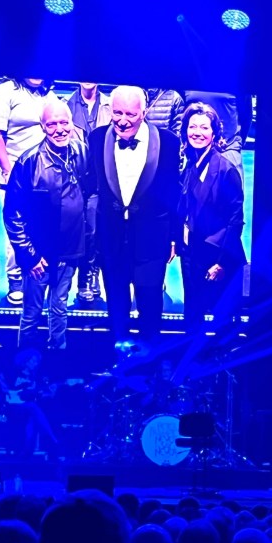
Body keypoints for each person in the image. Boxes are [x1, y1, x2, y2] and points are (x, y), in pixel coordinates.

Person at [87, 85, 180, 351]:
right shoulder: (96, 138)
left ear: (144, 112)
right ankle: (120, 357)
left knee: (150, 303)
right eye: (118, 113)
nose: (123, 120)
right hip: (111, 239)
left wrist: (174, 236)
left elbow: (174, 193)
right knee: (116, 303)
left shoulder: (168, 142)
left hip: (152, 239)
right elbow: (90, 189)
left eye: (130, 114)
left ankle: (150, 360)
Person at [4, 100, 89, 350]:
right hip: (38, 257)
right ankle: (25, 365)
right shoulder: (28, 161)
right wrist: (30, 256)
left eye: (64, 123)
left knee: (60, 308)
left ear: (72, 124)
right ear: (42, 127)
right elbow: (12, 213)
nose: (59, 129)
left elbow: (90, 195)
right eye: (52, 124)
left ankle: (57, 359)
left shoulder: (82, 153)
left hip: (69, 251)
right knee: (31, 313)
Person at [0, 77, 61, 307]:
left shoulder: (48, 95)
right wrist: (9, 171)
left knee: (41, 226)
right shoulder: (4, 92)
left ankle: (36, 277)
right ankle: (16, 281)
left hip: (42, 173)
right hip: (14, 172)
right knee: (17, 225)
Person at [178, 102, 247, 339]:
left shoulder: (226, 169)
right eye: (192, 127)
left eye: (204, 127)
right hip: (192, 254)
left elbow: (235, 220)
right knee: (192, 319)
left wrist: (221, 262)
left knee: (221, 324)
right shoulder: (189, 164)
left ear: (214, 133)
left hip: (216, 258)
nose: (197, 132)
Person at [64, 82, 111, 308]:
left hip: (102, 180)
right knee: (78, 232)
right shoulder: (66, 105)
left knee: (95, 231)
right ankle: (79, 280)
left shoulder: (110, 106)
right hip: (74, 179)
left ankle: (91, 276)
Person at [0, 348, 60, 458]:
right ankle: (52, 440)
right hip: (11, 407)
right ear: (25, 360)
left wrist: (50, 394)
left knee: (32, 415)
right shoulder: (13, 372)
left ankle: (26, 453)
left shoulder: (35, 377)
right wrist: (6, 390)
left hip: (26, 408)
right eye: (32, 360)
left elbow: (37, 395)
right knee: (32, 408)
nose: (35, 363)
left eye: (37, 361)